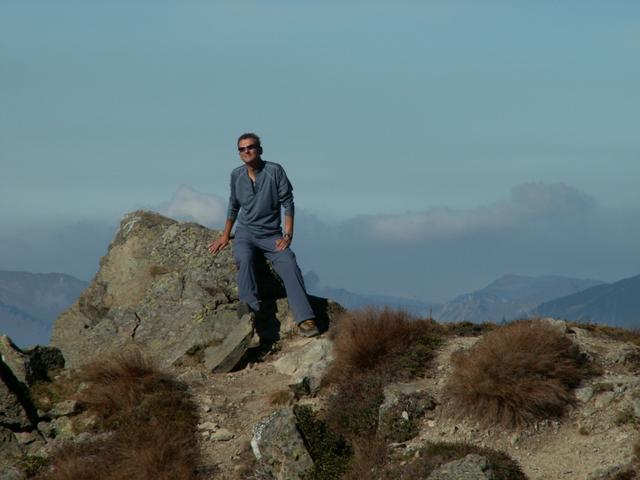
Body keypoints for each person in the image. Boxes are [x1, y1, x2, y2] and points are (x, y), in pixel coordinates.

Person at [208, 133, 320, 337]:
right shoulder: (236, 175)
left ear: (259, 150)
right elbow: (233, 205)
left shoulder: (274, 171)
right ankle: (249, 314)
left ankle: (305, 319)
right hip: (245, 233)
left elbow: (288, 203)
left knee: (289, 262)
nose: (246, 151)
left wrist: (288, 235)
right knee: (244, 259)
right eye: (242, 149)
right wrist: (225, 235)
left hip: (271, 235)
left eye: (250, 147)